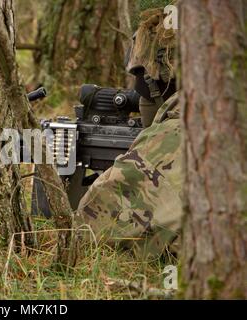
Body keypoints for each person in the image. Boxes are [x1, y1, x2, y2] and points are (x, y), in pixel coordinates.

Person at [73, 8, 182, 258]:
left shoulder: (176, 136)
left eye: (142, 90)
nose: (139, 102)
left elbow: (90, 230)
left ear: (159, 87)